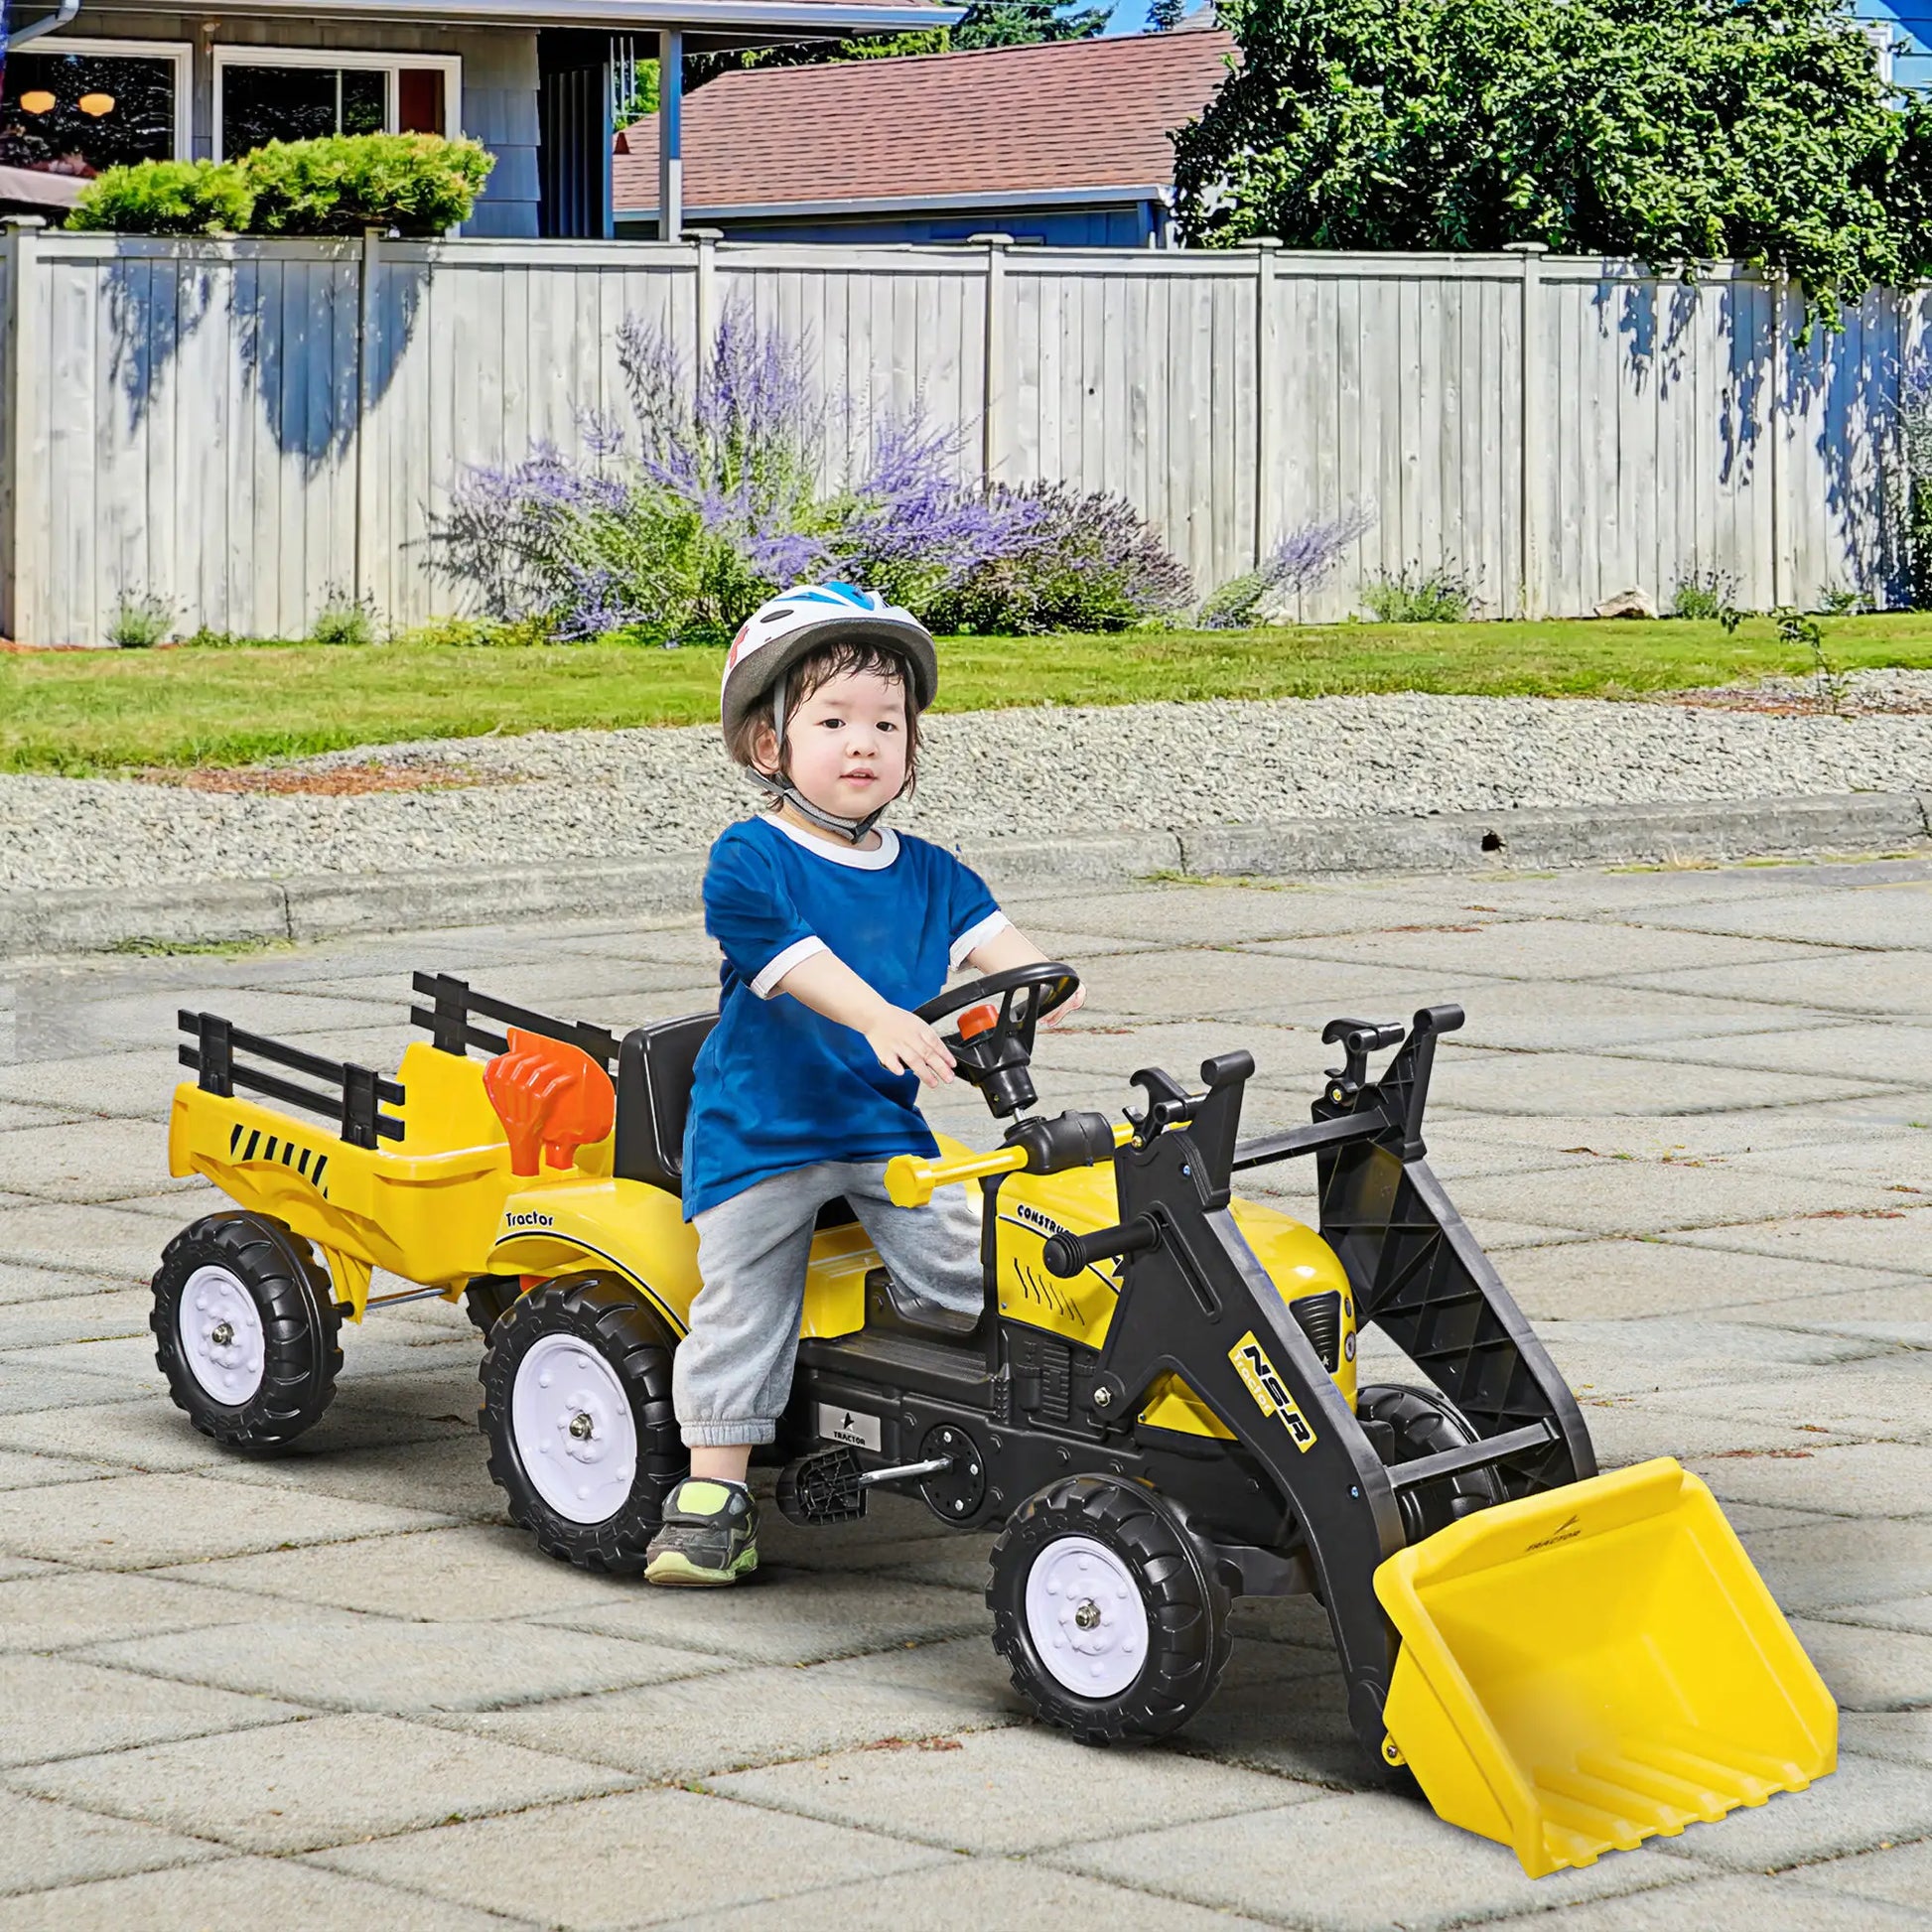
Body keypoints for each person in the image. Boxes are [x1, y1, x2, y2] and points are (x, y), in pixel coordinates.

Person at [644, 582, 1082, 1587]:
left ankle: (1015, 1409)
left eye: (886, 723)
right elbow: (798, 963)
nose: (863, 743)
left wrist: (1053, 980)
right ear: (770, 748)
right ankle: (713, 1495)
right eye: (833, 720)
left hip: (873, 1125)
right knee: (750, 1292)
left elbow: (1005, 951)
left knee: (970, 1256)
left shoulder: (930, 872)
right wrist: (881, 1015)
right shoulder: (750, 860)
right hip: (760, 1131)